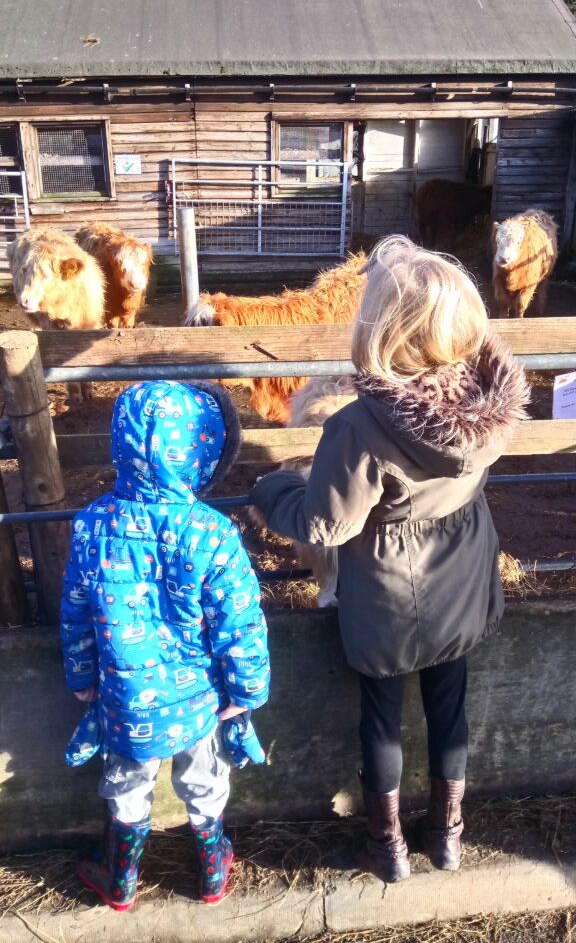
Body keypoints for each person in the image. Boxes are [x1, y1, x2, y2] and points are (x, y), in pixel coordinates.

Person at [249, 236, 529, 884]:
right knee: (449, 711)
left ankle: (388, 847)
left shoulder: (361, 425)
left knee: (381, 722)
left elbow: (327, 521)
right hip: (462, 583)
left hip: (387, 602)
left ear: (381, 328)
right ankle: (449, 835)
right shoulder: (490, 410)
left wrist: (273, 489)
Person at [61, 380, 270, 911]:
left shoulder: (92, 525)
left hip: (124, 697)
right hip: (199, 698)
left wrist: (82, 678)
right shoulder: (213, 533)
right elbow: (241, 622)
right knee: (204, 778)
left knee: (127, 784)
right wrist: (247, 690)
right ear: (203, 450)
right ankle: (211, 870)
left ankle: (122, 876)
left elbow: (76, 614)